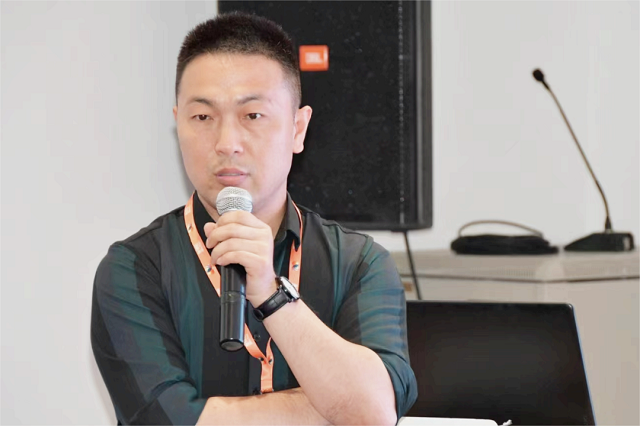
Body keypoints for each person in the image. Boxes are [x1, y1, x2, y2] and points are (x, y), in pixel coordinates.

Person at [91, 12, 417, 425]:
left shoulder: (359, 263)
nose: (227, 143)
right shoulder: (135, 269)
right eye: (203, 117)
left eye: (253, 116)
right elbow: (167, 420)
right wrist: (330, 406)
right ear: (178, 125)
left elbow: (374, 411)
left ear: (298, 129)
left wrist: (272, 294)